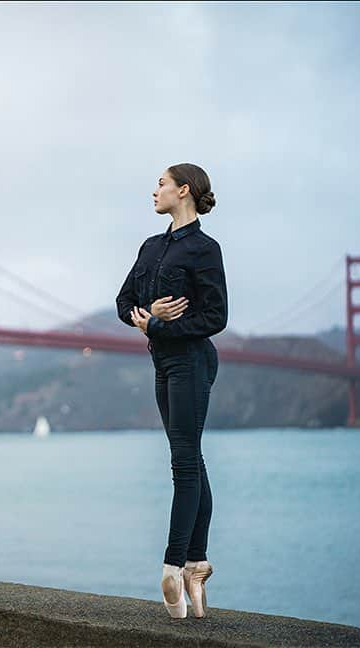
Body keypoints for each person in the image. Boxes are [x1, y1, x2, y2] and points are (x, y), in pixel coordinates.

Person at [115, 162, 228, 619]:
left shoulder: (205, 248)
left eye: (161, 183)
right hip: (161, 362)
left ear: (184, 191)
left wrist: (164, 323)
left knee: (183, 462)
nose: (154, 190)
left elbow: (215, 318)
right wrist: (147, 315)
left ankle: (172, 567)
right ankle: (197, 565)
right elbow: (124, 303)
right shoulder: (149, 247)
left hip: (192, 361)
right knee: (191, 459)